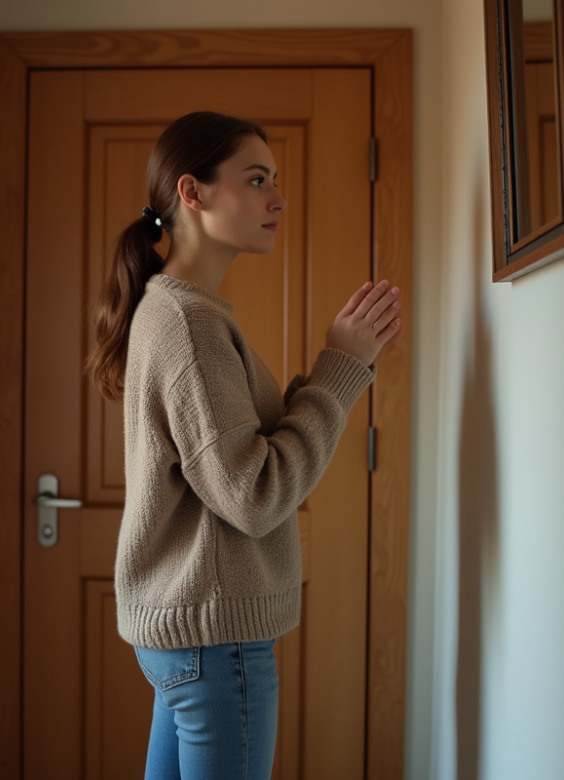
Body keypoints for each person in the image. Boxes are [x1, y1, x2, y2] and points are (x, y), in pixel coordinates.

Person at [86, 111, 403, 780]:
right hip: (215, 639)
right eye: (256, 180)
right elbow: (253, 496)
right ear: (192, 193)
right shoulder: (187, 324)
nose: (277, 198)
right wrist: (339, 373)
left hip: (192, 636)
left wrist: (328, 371)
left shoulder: (172, 310)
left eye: (275, 180)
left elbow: (226, 464)